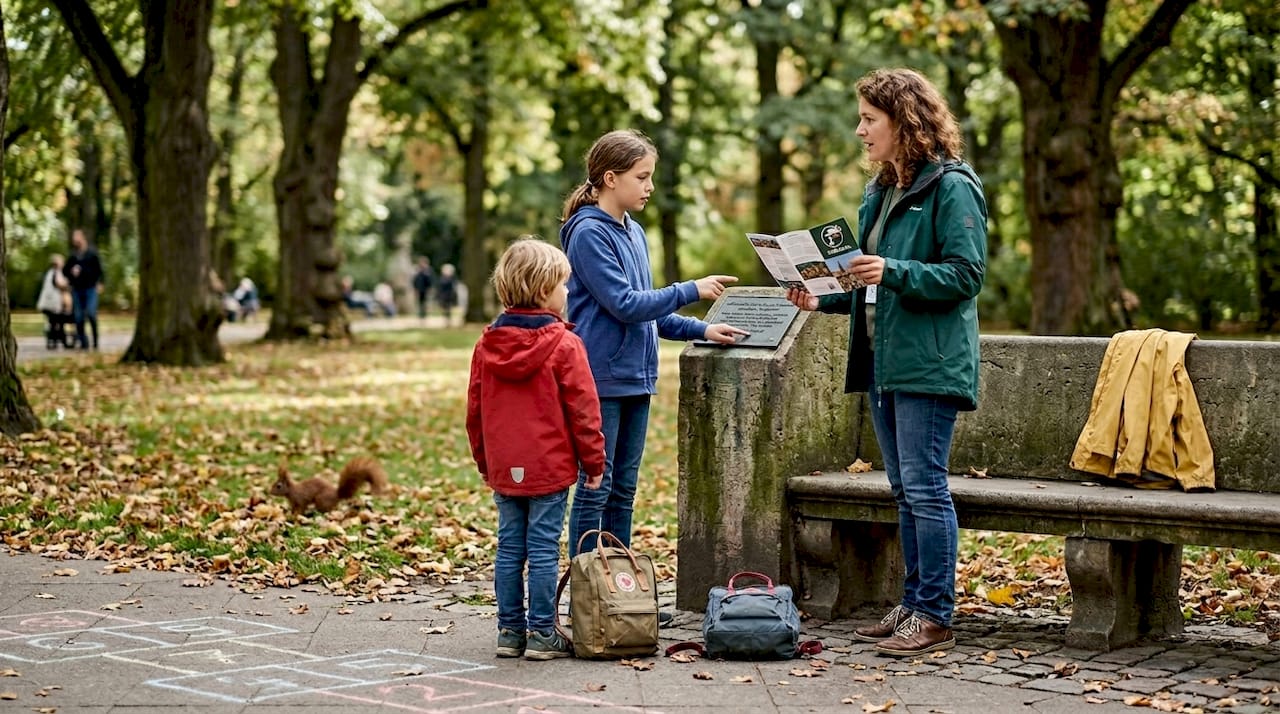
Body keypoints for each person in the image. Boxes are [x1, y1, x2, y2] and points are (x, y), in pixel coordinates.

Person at [785, 68, 986, 657]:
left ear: (905, 121)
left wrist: (893, 270)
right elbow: (867, 284)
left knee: (925, 488)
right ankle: (914, 603)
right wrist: (821, 297)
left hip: (928, 362)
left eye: (869, 119)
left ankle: (935, 614)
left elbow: (966, 275)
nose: (860, 130)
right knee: (903, 490)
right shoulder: (880, 191)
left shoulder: (952, 186)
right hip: (882, 360)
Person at [560, 129, 748, 565]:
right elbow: (625, 304)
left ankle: (617, 587)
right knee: (596, 486)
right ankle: (586, 587)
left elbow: (649, 312)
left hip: (636, 379)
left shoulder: (635, 232)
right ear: (610, 179)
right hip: (601, 380)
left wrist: (702, 330)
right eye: (641, 177)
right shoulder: (588, 233)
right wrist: (690, 289)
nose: (650, 187)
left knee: (624, 490)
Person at [466, 237, 607, 660]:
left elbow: (475, 409)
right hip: (549, 466)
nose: (568, 291)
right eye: (563, 284)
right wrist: (594, 462)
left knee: (510, 545)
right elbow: (584, 411)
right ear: (544, 290)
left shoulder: (487, 344)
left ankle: (509, 631)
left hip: (505, 464)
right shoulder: (565, 345)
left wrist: (485, 461)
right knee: (543, 548)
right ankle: (542, 631)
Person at [63, 228, 103, 350]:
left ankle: (95, 341)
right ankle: (83, 342)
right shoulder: (73, 256)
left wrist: (100, 283)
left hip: (90, 288)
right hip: (77, 289)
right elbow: (65, 271)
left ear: (83, 237)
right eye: (74, 237)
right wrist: (71, 272)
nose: (75, 239)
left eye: (77, 237)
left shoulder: (92, 254)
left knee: (91, 313)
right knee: (79, 317)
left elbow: (99, 270)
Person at [36, 254, 72, 349]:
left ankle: (56, 342)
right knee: (56, 323)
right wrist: (69, 284)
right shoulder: (56, 272)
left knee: (55, 323)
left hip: (49, 303)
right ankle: (57, 342)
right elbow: (60, 284)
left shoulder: (51, 272)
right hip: (52, 304)